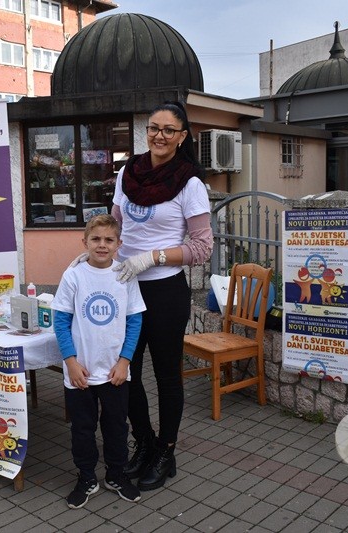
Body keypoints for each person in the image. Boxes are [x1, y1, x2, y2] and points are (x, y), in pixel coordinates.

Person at [112, 101, 213, 491]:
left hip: (164, 291)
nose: (159, 135)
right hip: (125, 286)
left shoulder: (190, 183)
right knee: (126, 372)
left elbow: (202, 248)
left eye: (169, 130)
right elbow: (115, 226)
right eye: (154, 128)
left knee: (168, 376)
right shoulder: (128, 173)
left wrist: (153, 257)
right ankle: (145, 442)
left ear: (182, 136)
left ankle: (166, 452)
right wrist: (96, 253)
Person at [52, 214, 147, 509]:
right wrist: (70, 361)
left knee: (116, 427)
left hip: (114, 371)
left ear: (119, 244)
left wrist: (124, 361)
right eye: (96, 239)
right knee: (82, 428)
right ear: (85, 242)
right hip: (80, 372)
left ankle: (116, 475)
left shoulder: (125, 276)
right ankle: (86, 477)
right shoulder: (73, 276)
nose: (102, 245)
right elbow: (60, 321)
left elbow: (134, 321)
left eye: (108, 239)